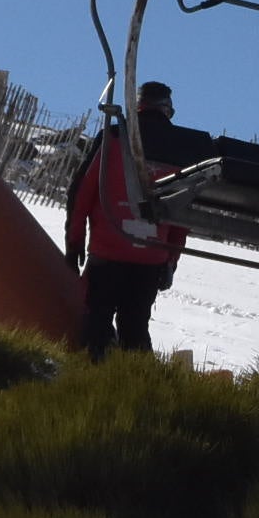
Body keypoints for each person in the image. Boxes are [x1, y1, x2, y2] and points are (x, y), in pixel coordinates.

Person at [65, 80, 189, 361]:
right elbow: (182, 214)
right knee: (135, 327)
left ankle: (89, 382)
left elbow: (82, 194)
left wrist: (74, 246)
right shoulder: (180, 148)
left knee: (96, 322)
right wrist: (170, 261)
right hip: (151, 258)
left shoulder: (113, 137)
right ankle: (137, 387)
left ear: (137, 106)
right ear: (167, 109)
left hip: (107, 253)